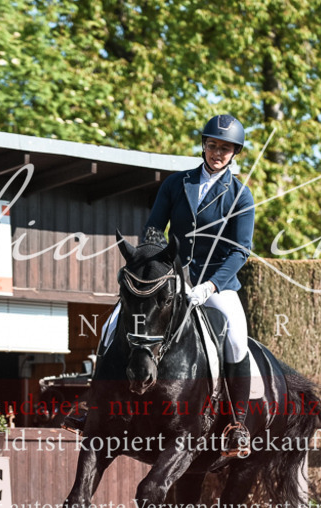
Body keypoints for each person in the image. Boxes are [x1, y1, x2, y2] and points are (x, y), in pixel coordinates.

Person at [66, 115, 256, 458]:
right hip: (172, 278)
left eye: (224, 148)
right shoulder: (176, 184)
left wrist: (211, 287)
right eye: (212, 145)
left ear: (234, 153)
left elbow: (241, 250)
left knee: (236, 339)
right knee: (114, 323)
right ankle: (91, 404)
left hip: (218, 284)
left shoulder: (241, 195)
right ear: (203, 145)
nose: (217, 152)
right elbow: (154, 231)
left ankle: (236, 424)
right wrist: (153, 269)